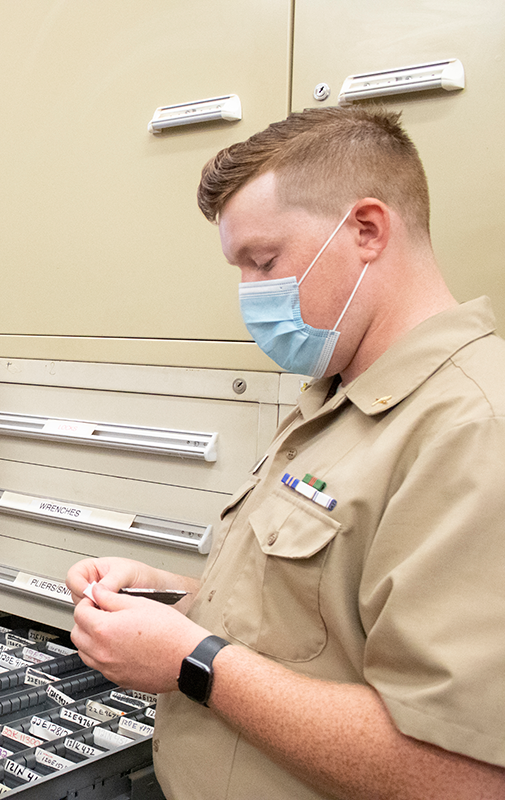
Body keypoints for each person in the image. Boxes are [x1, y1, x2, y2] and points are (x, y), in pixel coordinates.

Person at [67, 106, 505, 800]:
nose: (250, 294)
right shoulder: (337, 398)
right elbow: (319, 627)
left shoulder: (474, 429)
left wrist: (190, 659)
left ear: (366, 230)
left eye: (264, 262)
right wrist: (176, 599)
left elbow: (460, 775)